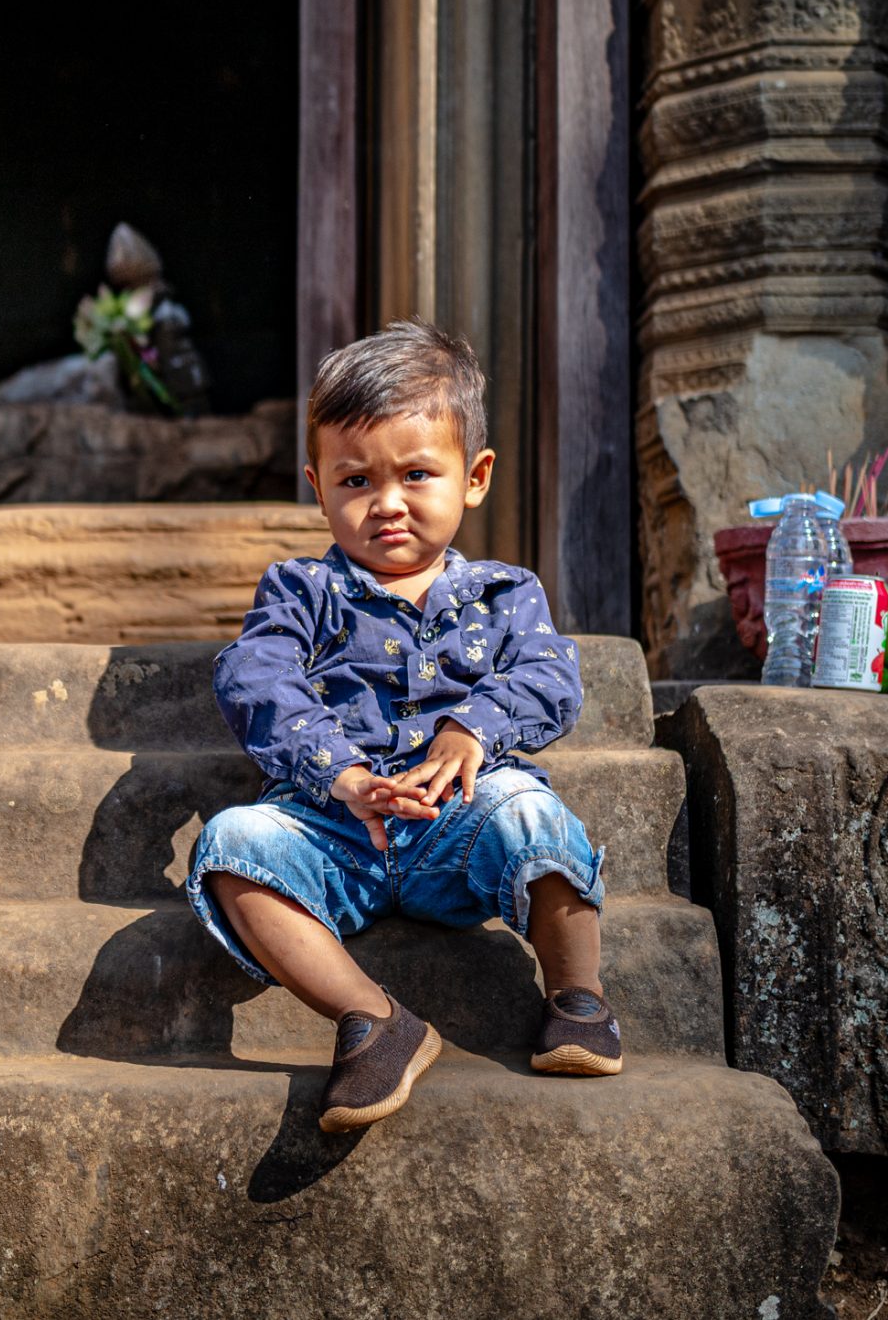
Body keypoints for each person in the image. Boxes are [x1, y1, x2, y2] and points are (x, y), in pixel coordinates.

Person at [187, 321, 620, 1133]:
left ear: (475, 477)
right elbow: (255, 675)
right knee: (231, 847)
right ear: (318, 487)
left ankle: (579, 1000)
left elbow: (551, 677)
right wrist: (341, 777)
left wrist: (471, 733)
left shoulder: (504, 594)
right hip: (335, 831)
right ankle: (374, 1021)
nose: (386, 504)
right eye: (355, 482)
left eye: (417, 474)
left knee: (531, 814)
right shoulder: (300, 589)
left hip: (463, 825)